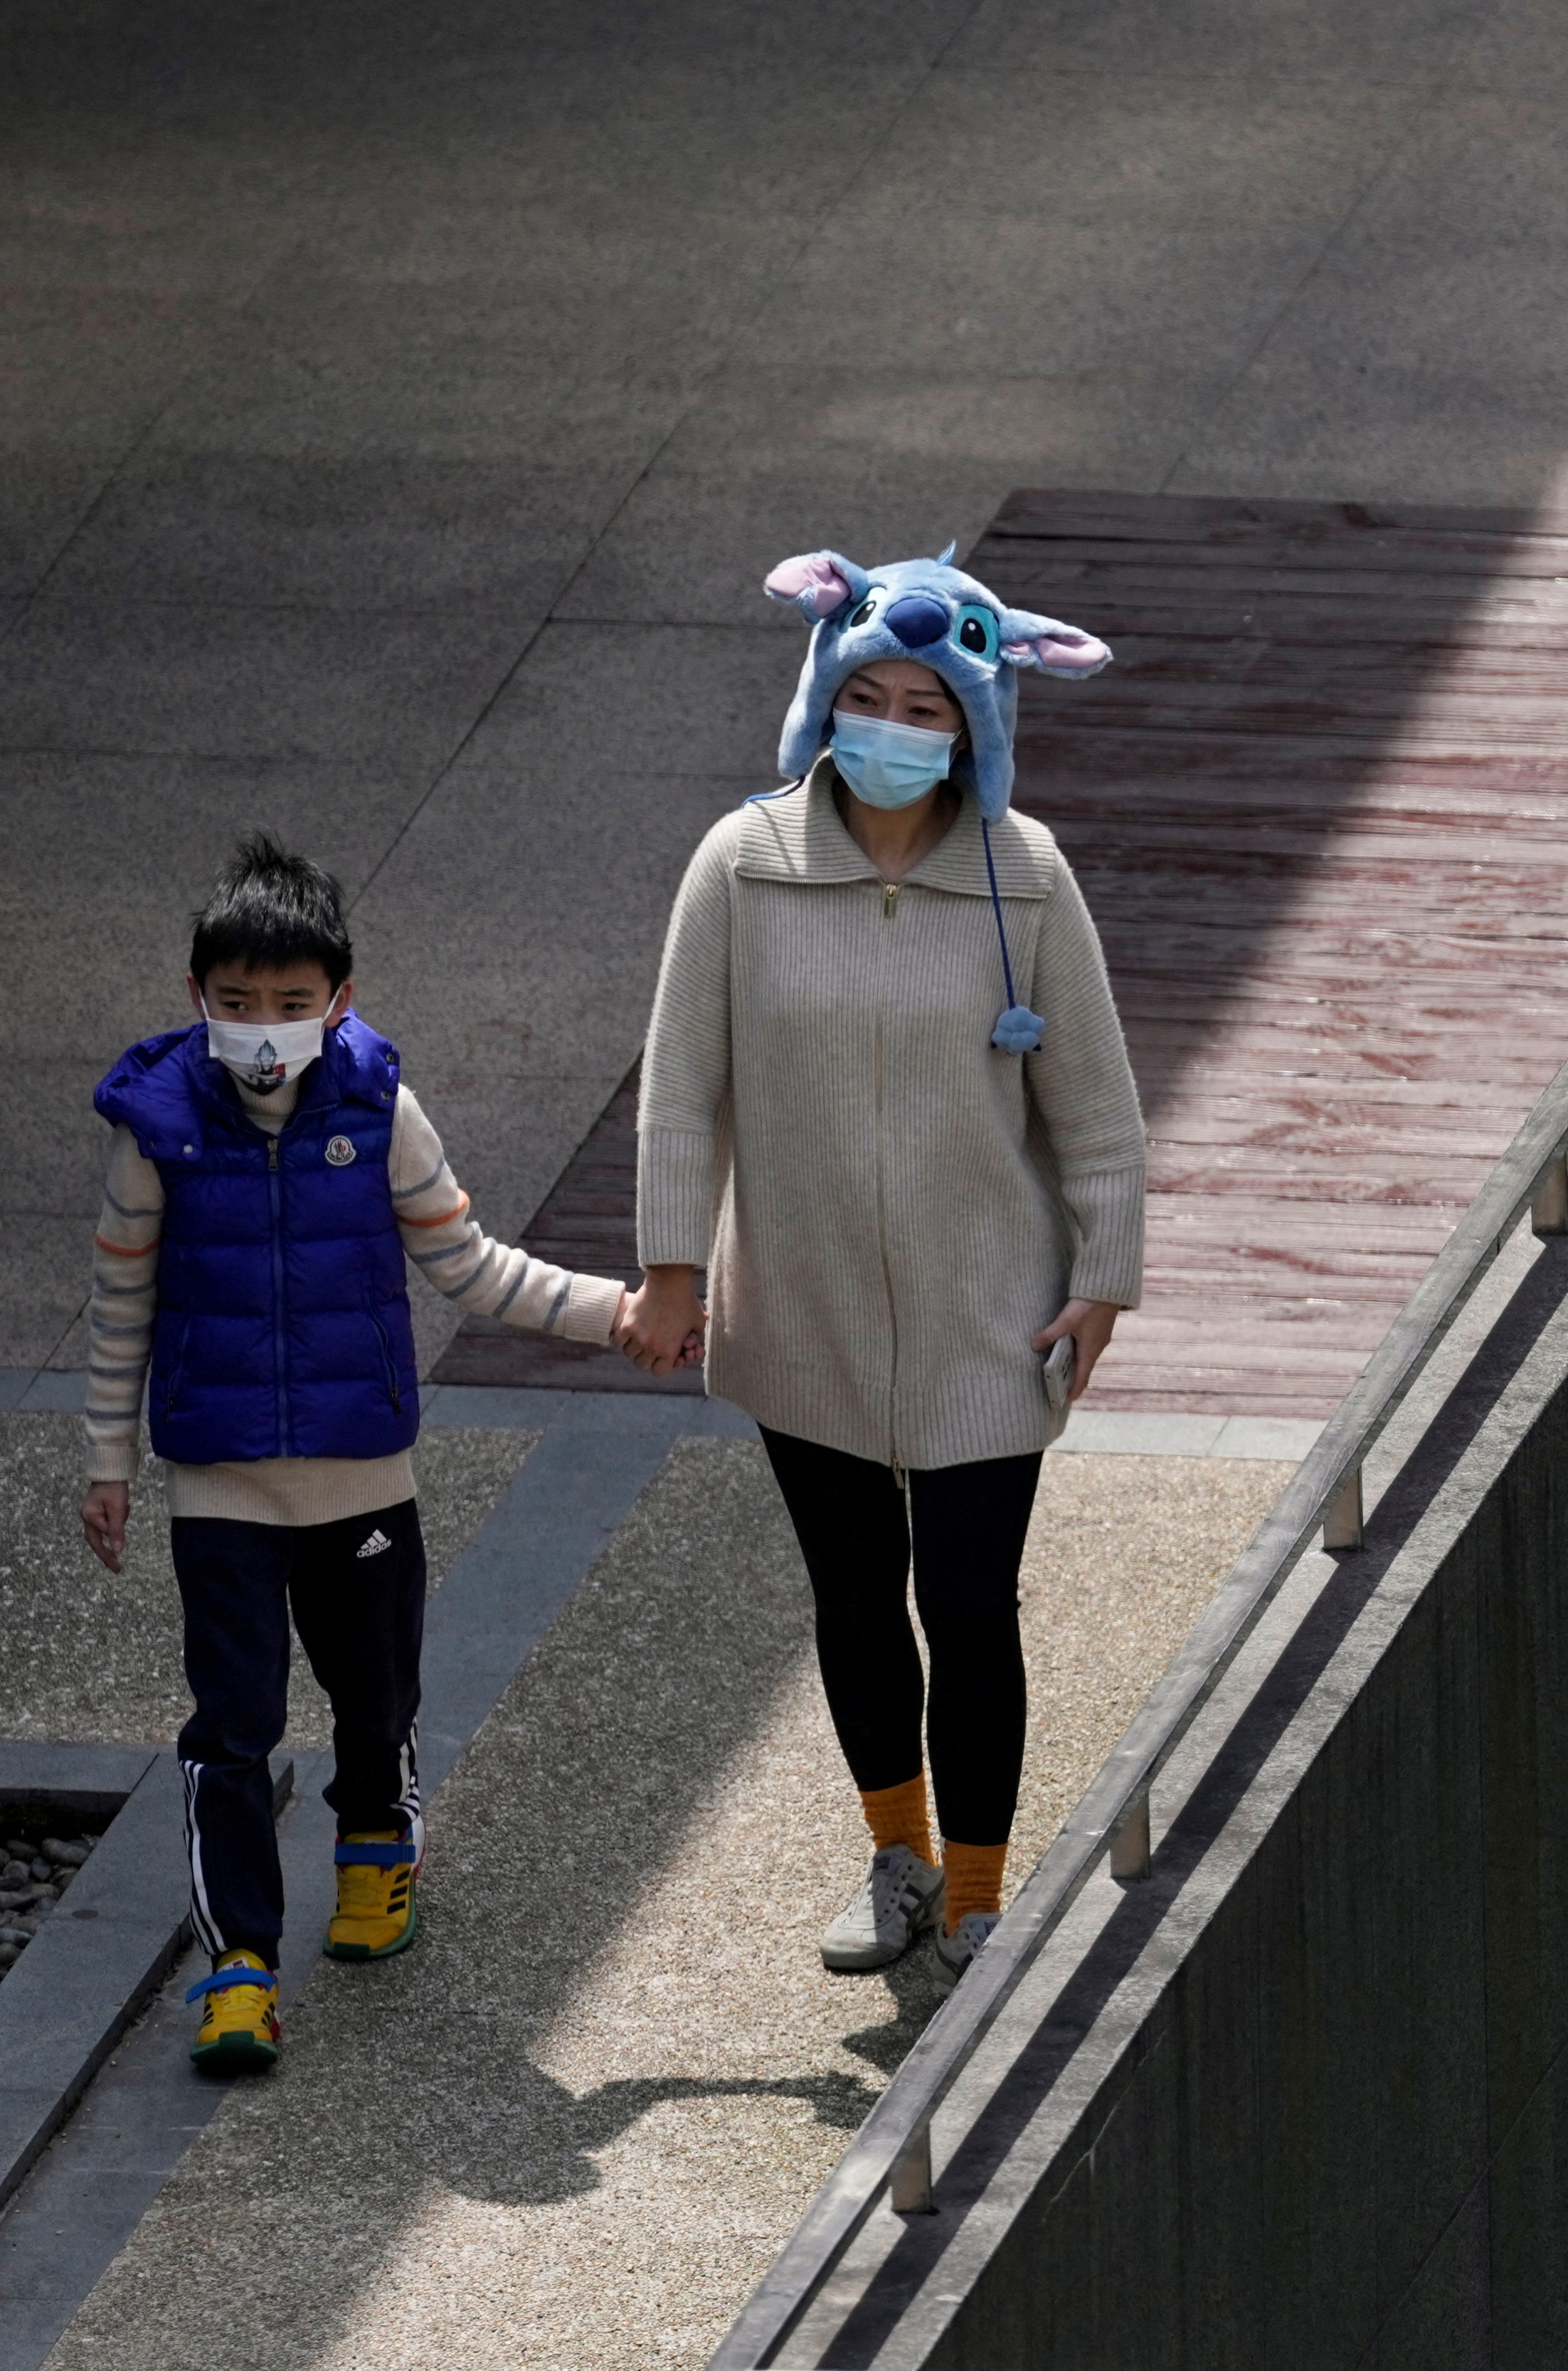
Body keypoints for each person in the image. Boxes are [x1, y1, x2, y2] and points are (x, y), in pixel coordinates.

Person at [621, 547, 1143, 1985]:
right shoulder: (742, 864)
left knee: (970, 1603)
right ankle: (897, 1855)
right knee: (853, 1599)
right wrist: (673, 1265)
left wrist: (1104, 1275)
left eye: (931, 703)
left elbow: (1093, 1104)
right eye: (875, 695)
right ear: (825, 697)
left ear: (974, 723)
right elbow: (680, 1085)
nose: (899, 725)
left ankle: (979, 1889)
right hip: (801, 1306)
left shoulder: (1024, 876)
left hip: (992, 1307)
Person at [78, 834, 639, 2073]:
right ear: (197, 1000)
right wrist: (107, 1458)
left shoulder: (380, 1106)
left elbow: (471, 1265)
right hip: (220, 1481)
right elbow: (122, 1303)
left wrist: (619, 1312)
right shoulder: (157, 1126)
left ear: (341, 998)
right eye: (237, 1004)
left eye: (290, 1004)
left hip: (362, 1477)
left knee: (374, 1695)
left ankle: (379, 1844)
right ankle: (239, 1966)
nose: (263, 1028)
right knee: (232, 1726)